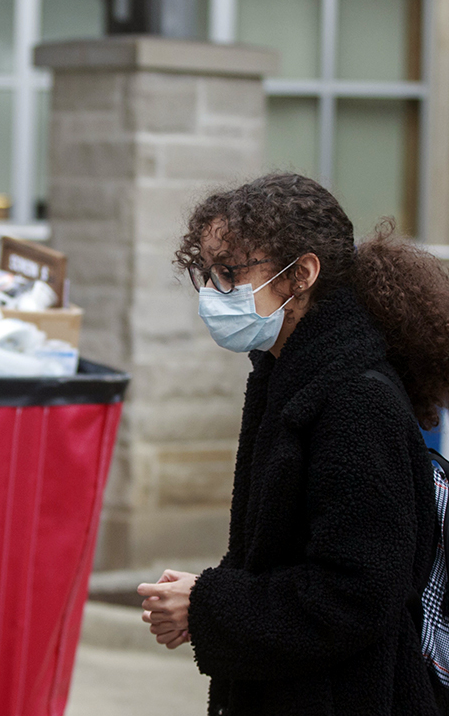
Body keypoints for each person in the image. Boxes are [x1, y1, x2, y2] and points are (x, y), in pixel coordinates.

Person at [139, 173, 449, 715]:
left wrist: (207, 606)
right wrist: (208, 595)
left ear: (301, 274)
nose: (214, 293)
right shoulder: (286, 374)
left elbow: (355, 593)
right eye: (207, 274)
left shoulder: (354, 400)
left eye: (231, 273)